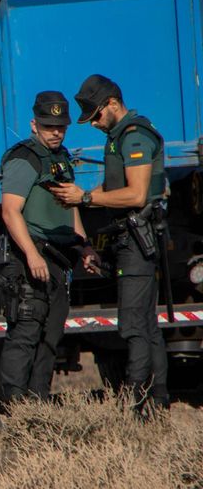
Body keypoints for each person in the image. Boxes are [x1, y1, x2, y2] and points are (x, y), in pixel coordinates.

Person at [51, 75, 169, 409]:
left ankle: (135, 404)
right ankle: (156, 403)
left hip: (137, 240)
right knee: (146, 326)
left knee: (133, 326)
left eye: (97, 116)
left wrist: (86, 199)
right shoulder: (118, 136)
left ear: (113, 104)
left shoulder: (133, 137)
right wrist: (74, 197)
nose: (95, 124)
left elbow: (136, 193)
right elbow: (111, 186)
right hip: (128, 239)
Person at [0, 91, 97, 403]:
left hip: (58, 258)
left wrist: (84, 247)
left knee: (51, 336)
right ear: (34, 124)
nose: (55, 132)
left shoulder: (61, 157)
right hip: (32, 256)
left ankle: (38, 403)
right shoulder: (24, 158)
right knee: (26, 331)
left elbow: (71, 208)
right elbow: (10, 211)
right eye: (49, 126)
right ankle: (13, 407)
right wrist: (31, 254)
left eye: (61, 127)